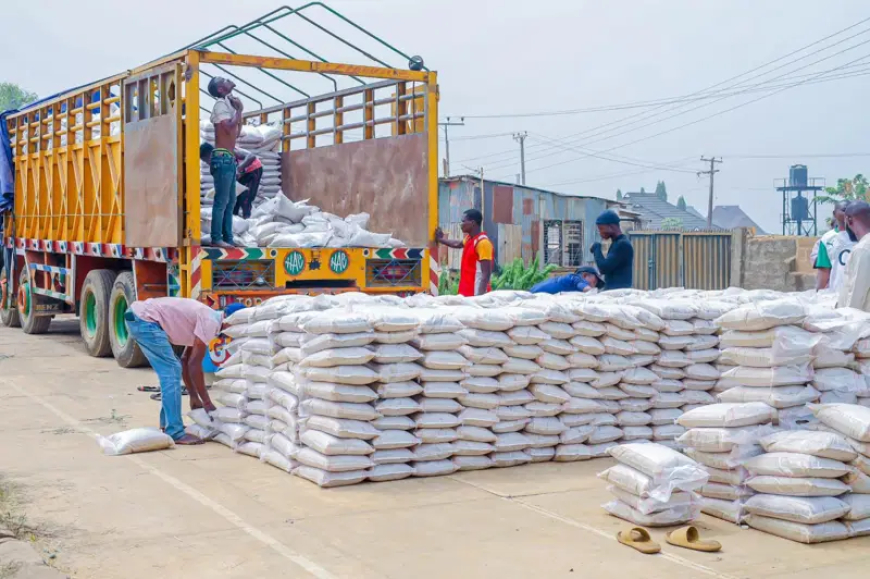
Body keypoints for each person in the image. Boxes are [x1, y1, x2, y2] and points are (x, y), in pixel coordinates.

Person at [124, 298, 242, 444]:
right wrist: (206, 402)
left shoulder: (209, 318)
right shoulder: (211, 322)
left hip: (138, 316)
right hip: (145, 320)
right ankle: (175, 432)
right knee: (172, 371)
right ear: (231, 320)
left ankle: (168, 424)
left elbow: (186, 360)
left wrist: (194, 396)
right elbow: (194, 364)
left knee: (171, 371)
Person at [207, 77, 244, 248]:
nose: (228, 79)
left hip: (228, 158)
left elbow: (235, 133)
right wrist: (239, 111)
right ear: (221, 89)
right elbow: (228, 127)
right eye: (224, 80)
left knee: (230, 201)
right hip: (222, 158)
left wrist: (239, 112)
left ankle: (228, 238)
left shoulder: (228, 105)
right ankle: (217, 238)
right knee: (222, 201)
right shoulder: (220, 104)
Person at [435, 209, 493, 297]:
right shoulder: (470, 239)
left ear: (472, 223)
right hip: (467, 292)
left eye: (463, 221)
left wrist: (479, 298)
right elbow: (457, 244)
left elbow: (486, 274)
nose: (461, 224)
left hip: (476, 294)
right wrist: (441, 239)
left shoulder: (483, 243)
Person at [200, 142, 263, 219]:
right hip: (242, 175)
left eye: (208, 159)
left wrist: (239, 169)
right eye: (206, 162)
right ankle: (234, 225)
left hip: (254, 169)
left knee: (245, 200)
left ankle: (249, 224)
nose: (208, 163)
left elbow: (251, 156)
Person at [838, 201, 870, 311]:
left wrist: (845, 320)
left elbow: (857, 294)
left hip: (862, 322)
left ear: (849, 220)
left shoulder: (863, 249)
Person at [815, 202, 854, 292]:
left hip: (859, 293)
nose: (847, 213)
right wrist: (818, 292)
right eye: (844, 210)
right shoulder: (826, 239)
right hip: (836, 293)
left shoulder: (863, 235)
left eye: (851, 210)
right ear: (835, 214)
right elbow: (824, 271)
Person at [590, 209, 633, 290]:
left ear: (611, 226)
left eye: (601, 228)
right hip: (616, 290)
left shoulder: (622, 244)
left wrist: (596, 247)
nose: (600, 232)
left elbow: (604, 268)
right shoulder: (617, 243)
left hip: (619, 292)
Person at [531, 265, 603, 294]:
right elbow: (587, 289)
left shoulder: (570, 281)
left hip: (533, 292)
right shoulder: (576, 278)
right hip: (535, 294)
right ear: (585, 275)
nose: (594, 286)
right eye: (594, 282)